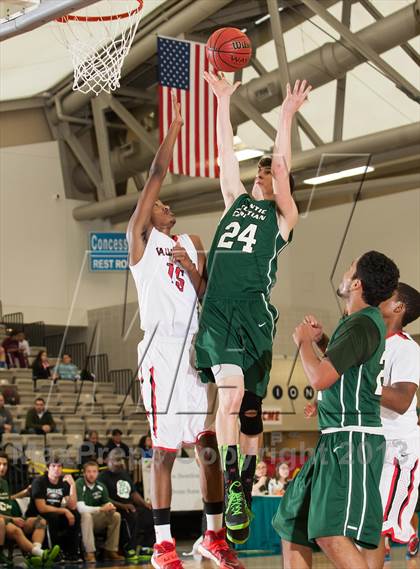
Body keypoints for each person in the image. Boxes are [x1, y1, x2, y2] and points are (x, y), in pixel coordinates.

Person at [127, 90, 243, 569]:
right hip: (159, 352)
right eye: (160, 204)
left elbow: (207, 297)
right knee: (164, 451)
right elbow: (155, 176)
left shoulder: (189, 242)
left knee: (209, 447)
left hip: (194, 350)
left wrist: (192, 268)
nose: (166, 205)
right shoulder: (138, 240)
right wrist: (173, 131)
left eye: (168, 205)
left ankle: (212, 538)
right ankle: (162, 545)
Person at [194, 74, 310, 544]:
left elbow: (282, 166)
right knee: (229, 399)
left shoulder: (284, 217)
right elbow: (225, 157)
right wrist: (223, 102)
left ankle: (243, 467)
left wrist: (286, 116)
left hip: (254, 316)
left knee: (249, 412)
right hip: (219, 309)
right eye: (259, 169)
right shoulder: (234, 203)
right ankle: (233, 483)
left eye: (268, 170)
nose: (263, 172)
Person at [272, 251, 399, 569]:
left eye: (349, 268)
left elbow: (320, 378)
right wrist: (321, 340)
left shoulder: (360, 325)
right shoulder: (358, 324)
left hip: (352, 438)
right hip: (336, 436)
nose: (343, 272)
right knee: (292, 520)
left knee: (331, 533)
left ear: (356, 283)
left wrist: (302, 342)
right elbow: (347, 366)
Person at [358, 282, 419, 568]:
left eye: (388, 295)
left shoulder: (407, 348)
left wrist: (366, 385)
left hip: (398, 449)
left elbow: (403, 400)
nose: (379, 296)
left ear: (399, 307)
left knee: (374, 529)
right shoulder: (372, 341)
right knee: (363, 529)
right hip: (369, 445)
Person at [0, 451, 60, 567]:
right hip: (3, 521)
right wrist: (12, 519)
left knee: (40, 521)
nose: (2, 467)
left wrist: (24, 493)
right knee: (14, 529)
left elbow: (7, 499)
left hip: (11, 519)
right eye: (0, 464)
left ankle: (34, 553)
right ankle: (41, 554)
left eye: (5, 464)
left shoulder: (4, 482)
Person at [98, 449, 154, 563]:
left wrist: (145, 504)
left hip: (129, 506)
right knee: (131, 514)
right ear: (107, 460)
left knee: (151, 513)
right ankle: (129, 548)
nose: (119, 463)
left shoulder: (124, 474)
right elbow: (105, 498)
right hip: (115, 508)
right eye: (115, 460)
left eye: (120, 460)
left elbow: (133, 493)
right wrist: (123, 506)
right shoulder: (102, 477)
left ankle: (145, 547)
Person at [26, 456, 81, 562]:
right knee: (53, 516)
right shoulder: (39, 481)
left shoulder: (63, 482)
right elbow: (42, 508)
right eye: (53, 466)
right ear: (48, 468)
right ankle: (54, 552)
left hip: (55, 513)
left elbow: (72, 505)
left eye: (59, 466)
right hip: (37, 515)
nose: (56, 469)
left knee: (75, 514)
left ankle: (72, 553)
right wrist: (65, 511)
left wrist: (73, 486)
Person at [76, 460, 124, 564]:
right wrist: (101, 509)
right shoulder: (79, 483)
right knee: (86, 515)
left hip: (96, 519)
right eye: (88, 471)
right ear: (84, 473)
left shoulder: (101, 486)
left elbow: (106, 504)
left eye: (94, 471)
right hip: (81, 520)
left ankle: (111, 550)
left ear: (98, 473)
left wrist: (111, 508)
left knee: (116, 515)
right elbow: (80, 508)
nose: (91, 474)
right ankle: (90, 553)